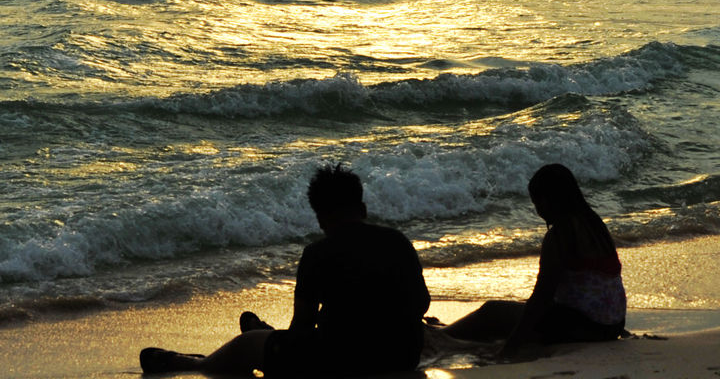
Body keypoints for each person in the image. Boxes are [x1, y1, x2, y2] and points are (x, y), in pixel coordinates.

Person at [140, 164, 430, 376]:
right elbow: (422, 303)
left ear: (320, 217)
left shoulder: (318, 254)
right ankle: (262, 339)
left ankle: (195, 364)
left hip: (342, 364)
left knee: (248, 345)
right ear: (363, 209)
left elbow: (302, 326)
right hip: (403, 357)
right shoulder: (397, 241)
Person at [444, 164, 626, 357]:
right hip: (613, 324)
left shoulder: (559, 236)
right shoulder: (593, 224)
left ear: (548, 201)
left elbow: (542, 296)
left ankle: (441, 336)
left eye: (537, 203)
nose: (537, 210)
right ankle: (448, 331)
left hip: (585, 327)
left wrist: (510, 347)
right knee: (513, 312)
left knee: (491, 312)